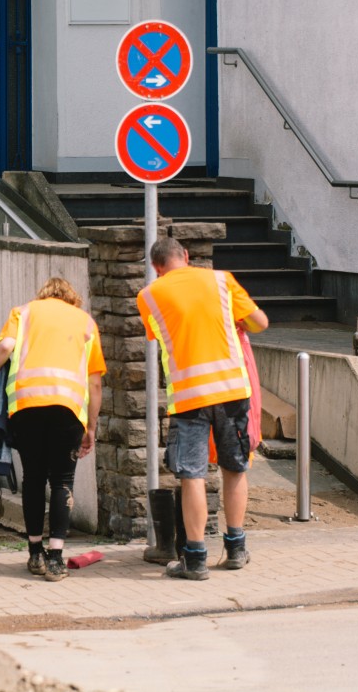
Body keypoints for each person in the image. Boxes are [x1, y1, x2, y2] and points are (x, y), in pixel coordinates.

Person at [137, 237, 269, 581]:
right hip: (232, 392)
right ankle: (236, 549)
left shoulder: (149, 295)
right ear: (187, 256)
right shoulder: (222, 280)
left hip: (188, 397)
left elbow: (156, 335)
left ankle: (194, 559)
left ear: (156, 266)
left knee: (192, 474)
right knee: (235, 468)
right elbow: (260, 322)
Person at [0, 277, 106, 583]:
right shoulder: (85, 322)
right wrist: (91, 427)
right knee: (62, 480)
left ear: (43, 295)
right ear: (72, 298)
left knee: (33, 478)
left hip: (26, 407)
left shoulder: (23, 313)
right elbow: (95, 382)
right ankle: (56, 559)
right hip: (68, 411)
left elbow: (4, 347)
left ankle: (34, 553)